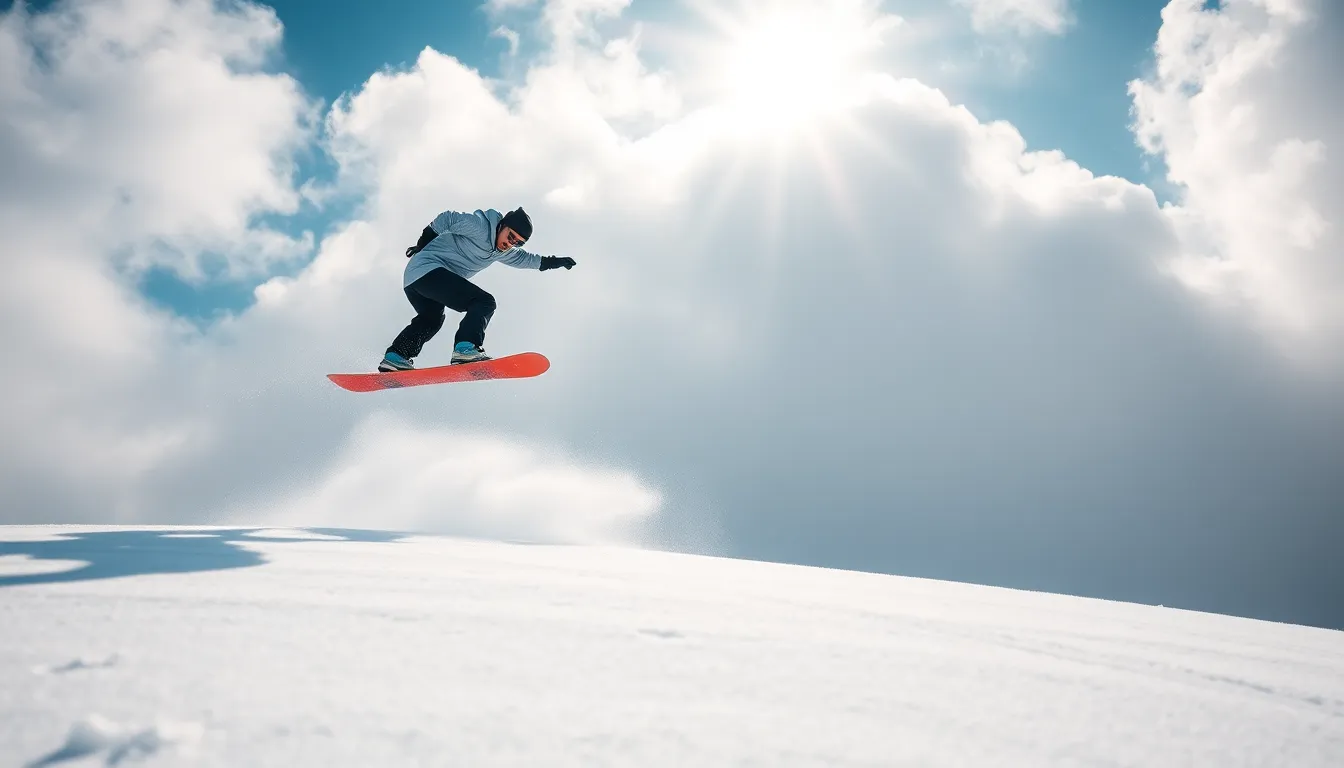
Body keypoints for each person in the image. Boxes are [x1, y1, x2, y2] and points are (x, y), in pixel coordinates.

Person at [378, 206, 576, 372]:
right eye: (510, 236)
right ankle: (466, 349)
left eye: (517, 243)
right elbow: (447, 219)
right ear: (502, 226)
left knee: (432, 319)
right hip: (428, 270)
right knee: (484, 302)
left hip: (415, 280)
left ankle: (396, 356)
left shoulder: (501, 252)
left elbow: (527, 259)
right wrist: (422, 244)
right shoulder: (480, 226)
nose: (510, 244)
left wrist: (555, 262)